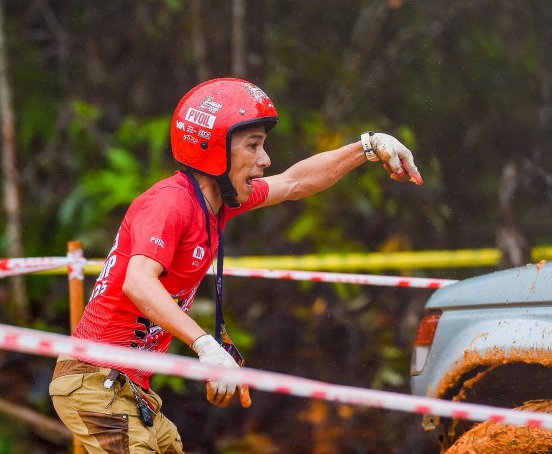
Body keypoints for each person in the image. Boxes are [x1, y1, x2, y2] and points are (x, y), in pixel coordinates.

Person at [49, 77, 422, 453]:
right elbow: (138, 283)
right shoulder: (169, 203)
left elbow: (295, 182)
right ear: (213, 150)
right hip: (93, 379)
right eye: (253, 145)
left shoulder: (218, 205)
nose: (265, 159)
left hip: (130, 388)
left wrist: (368, 147)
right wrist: (206, 346)